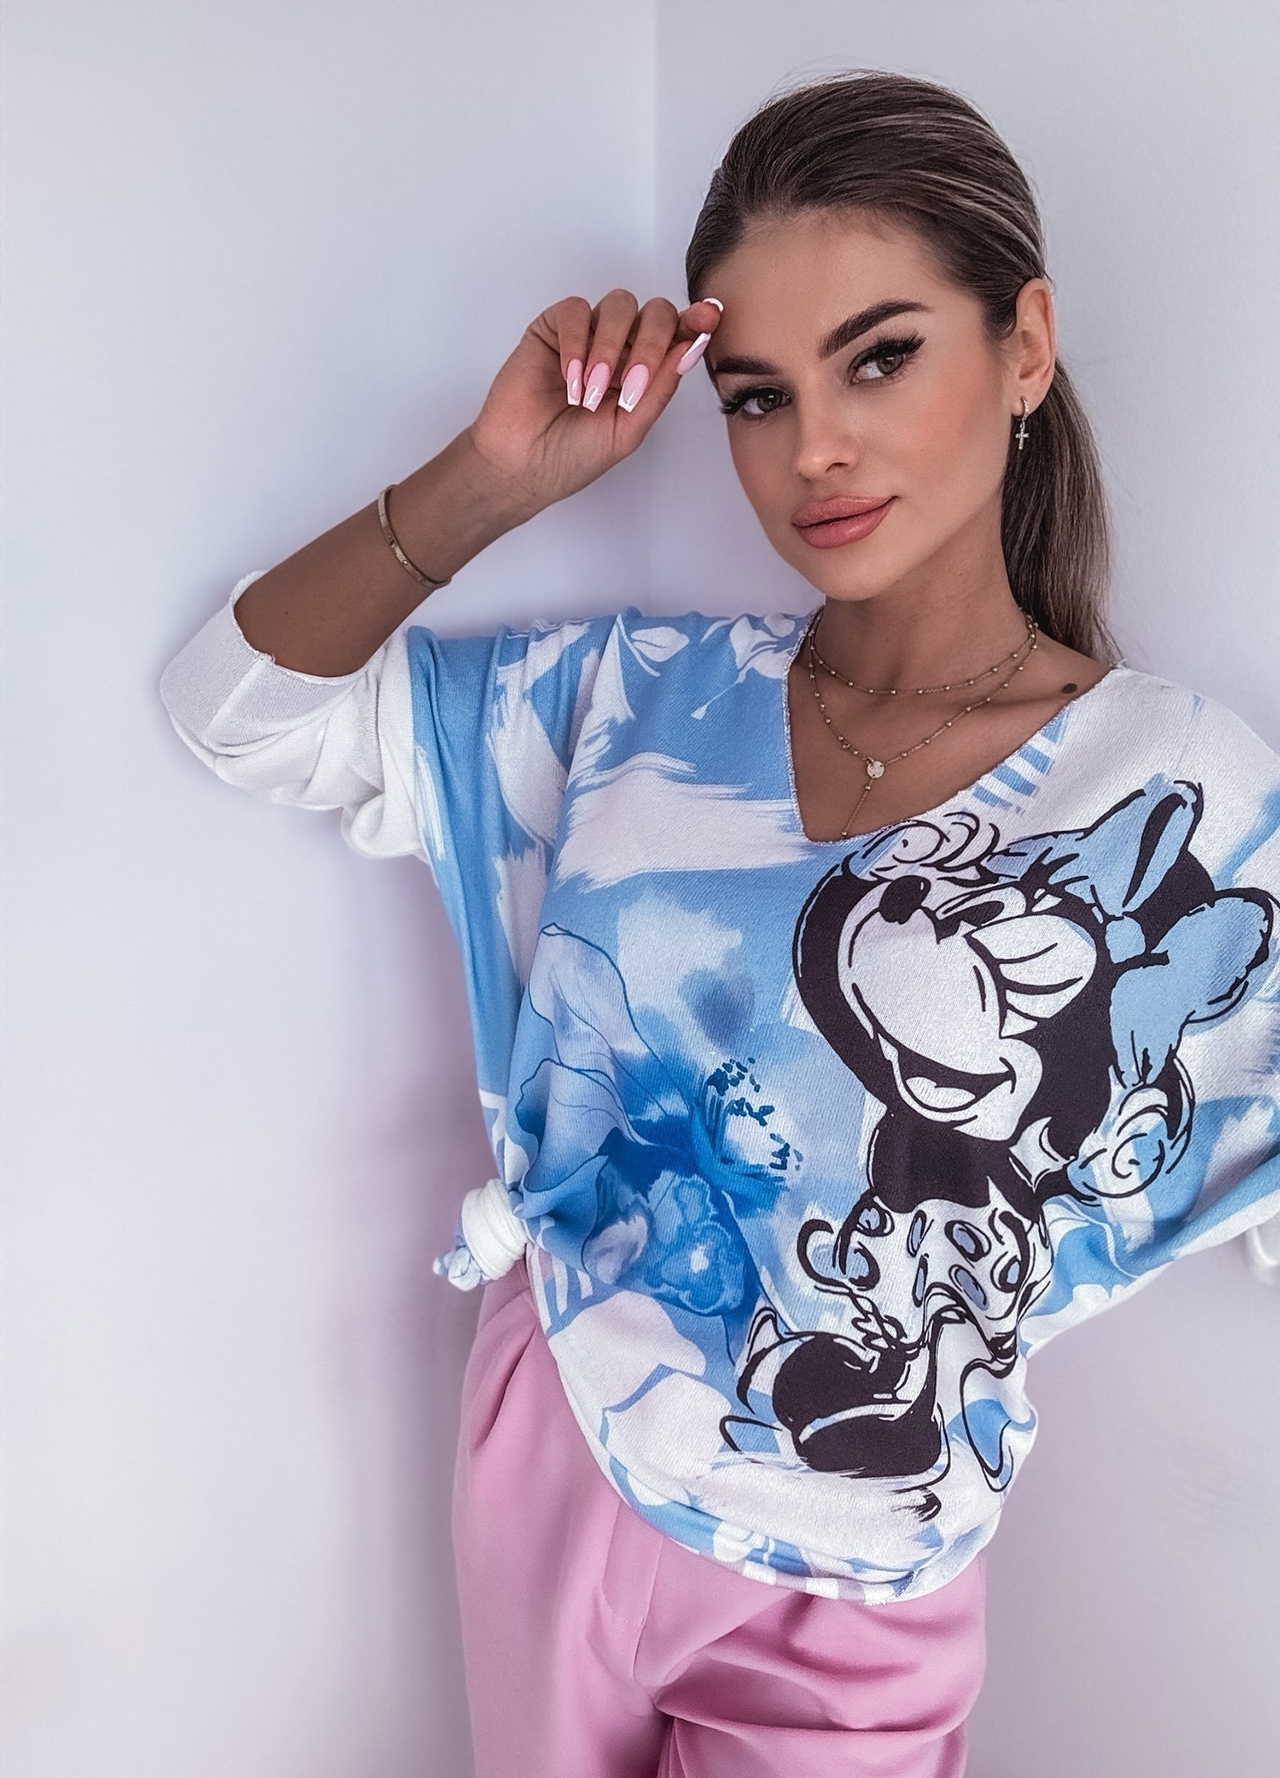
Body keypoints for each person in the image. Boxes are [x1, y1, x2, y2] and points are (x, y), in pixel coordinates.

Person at [158, 68, 1280, 1778]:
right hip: (555, 1441)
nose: (812, 447)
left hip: (856, 1571)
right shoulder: (634, 699)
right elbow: (232, 708)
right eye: (757, 396)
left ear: (1027, 347)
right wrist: (492, 478)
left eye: (879, 357)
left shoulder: (1178, 785)